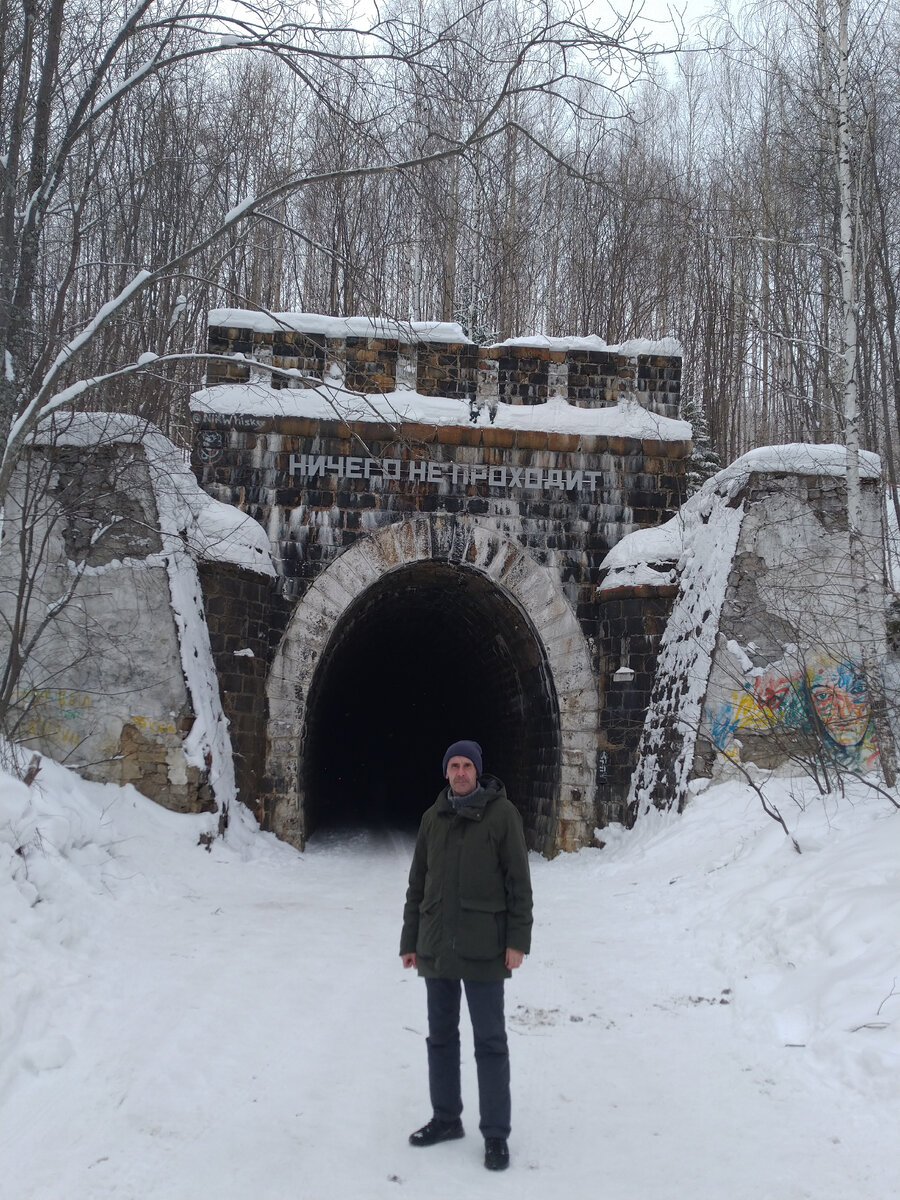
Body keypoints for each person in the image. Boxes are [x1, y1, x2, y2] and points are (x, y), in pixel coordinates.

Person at [400, 739, 533, 1172]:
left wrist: (517, 941)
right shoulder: (431, 819)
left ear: (477, 770)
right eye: (453, 766)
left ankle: (495, 1134)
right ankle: (445, 1118)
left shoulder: (502, 816)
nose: (460, 773)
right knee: (440, 1038)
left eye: (467, 766)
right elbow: (417, 885)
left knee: (490, 1042)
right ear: (446, 772)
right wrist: (410, 940)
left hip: (484, 945)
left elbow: (519, 884)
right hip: (436, 944)